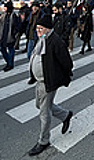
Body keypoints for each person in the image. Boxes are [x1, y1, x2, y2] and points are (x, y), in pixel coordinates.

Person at [27, 15, 73, 156]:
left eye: (41, 29)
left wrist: (62, 77)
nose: (38, 31)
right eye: (37, 29)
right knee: (39, 105)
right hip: (40, 80)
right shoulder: (43, 39)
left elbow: (67, 63)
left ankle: (43, 141)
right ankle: (65, 115)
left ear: (48, 29)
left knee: (44, 112)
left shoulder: (55, 42)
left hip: (49, 82)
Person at [0, 1, 21, 71]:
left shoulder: (14, 16)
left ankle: (10, 64)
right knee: (2, 49)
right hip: (3, 35)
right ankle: (8, 61)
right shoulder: (3, 15)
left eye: (5, 7)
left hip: (10, 36)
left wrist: (13, 34)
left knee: (11, 49)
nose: (4, 8)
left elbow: (17, 26)